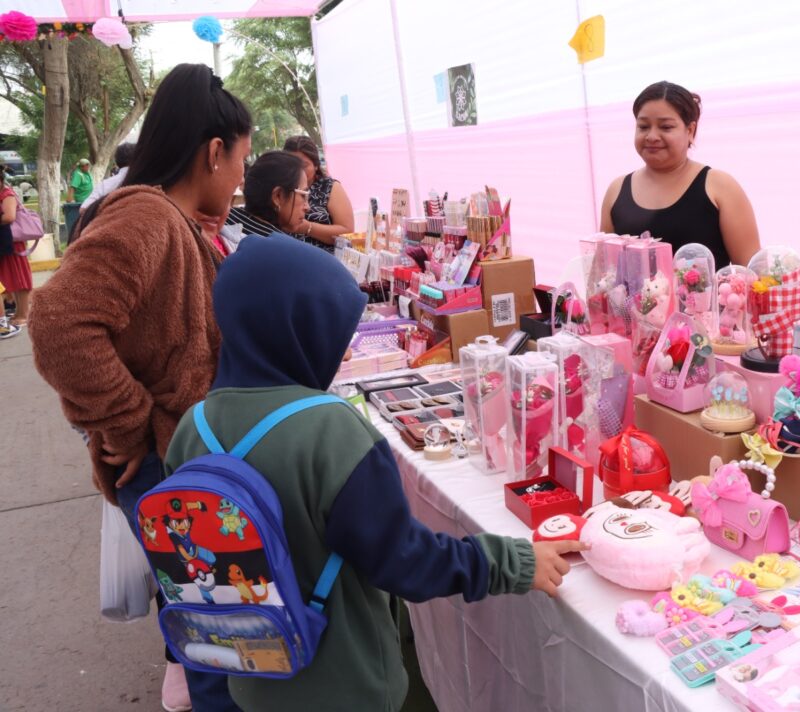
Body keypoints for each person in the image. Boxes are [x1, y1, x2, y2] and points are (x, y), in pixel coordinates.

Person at [165, 233, 583, 711]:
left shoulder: (191, 428)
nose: (342, 355)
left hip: (251, 675)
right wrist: (514, 563)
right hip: (345, 684)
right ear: (299, 329)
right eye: (334, 336)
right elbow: (404, 559)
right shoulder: (331, 430)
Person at [30, 63, 252, 712]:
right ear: (213, 152)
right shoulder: (148, 217)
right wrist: (128, 423)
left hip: (179, 461)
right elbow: (58, 322)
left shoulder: (174, 222)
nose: (242, 179)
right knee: (220, 646)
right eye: (240, 160)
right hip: (166, 465)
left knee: (218, 634)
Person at [601, 81, 760, 268]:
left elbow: (752, 273)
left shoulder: (719, 186)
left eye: (666, 127)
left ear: (690, 130)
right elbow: (603, 272)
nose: (652, 136)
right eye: (643, 126)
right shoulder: (616, 190)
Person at [284, 135, 355, 253]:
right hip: (287, 256)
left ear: (315, 165)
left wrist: (307, 227)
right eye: (292, 165)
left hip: (325, 259)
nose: (298, 171)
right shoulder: (281, 190)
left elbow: (347, 233)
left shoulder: (330, 187)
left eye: (304, 165)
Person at [224, 151, 310, 240]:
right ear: (278, 196)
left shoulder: (224, 219)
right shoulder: (283, 249)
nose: (307, 207)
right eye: (303, 195)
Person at [0, 179, 31, 327]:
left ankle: (24, 313)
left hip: (13, 242)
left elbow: (9, 216)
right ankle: (19, 312)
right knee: (12, 278)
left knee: (19, 277)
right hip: (6, 241)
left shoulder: (7, 194)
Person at [81, 142, 136, 211]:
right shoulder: (148, 183)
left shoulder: (104, 185)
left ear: (116, 162)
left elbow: (83, 209)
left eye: (87, 165)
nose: (86, 167)